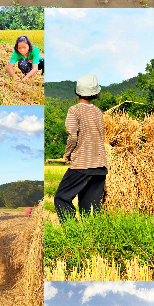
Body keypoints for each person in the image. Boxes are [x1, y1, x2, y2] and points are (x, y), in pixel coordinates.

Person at [53, 75, 108, 219]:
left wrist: (67, 155)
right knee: (90, 210)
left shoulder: (74, 110)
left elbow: (72, 136)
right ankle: (90, 237)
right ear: (95, 93)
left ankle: (72, 231)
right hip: (100, 165)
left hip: (82, 165)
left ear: (77, 91)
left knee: (61, 198)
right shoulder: (97, 111)